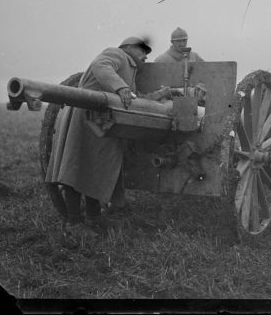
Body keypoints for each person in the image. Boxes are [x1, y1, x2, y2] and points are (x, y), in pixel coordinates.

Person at [45, 37, 178, 239]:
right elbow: (101, 65)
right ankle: (74, 223)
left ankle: (94, 217)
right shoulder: (117, 54)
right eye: (142, 50)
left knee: (96, 171)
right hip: (86, 118)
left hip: (105, 124)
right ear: (128, 48)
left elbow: (135, 99)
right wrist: (120, 87)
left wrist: (161, 94)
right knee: (76, 167)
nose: (145, 55)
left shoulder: (130, 70)